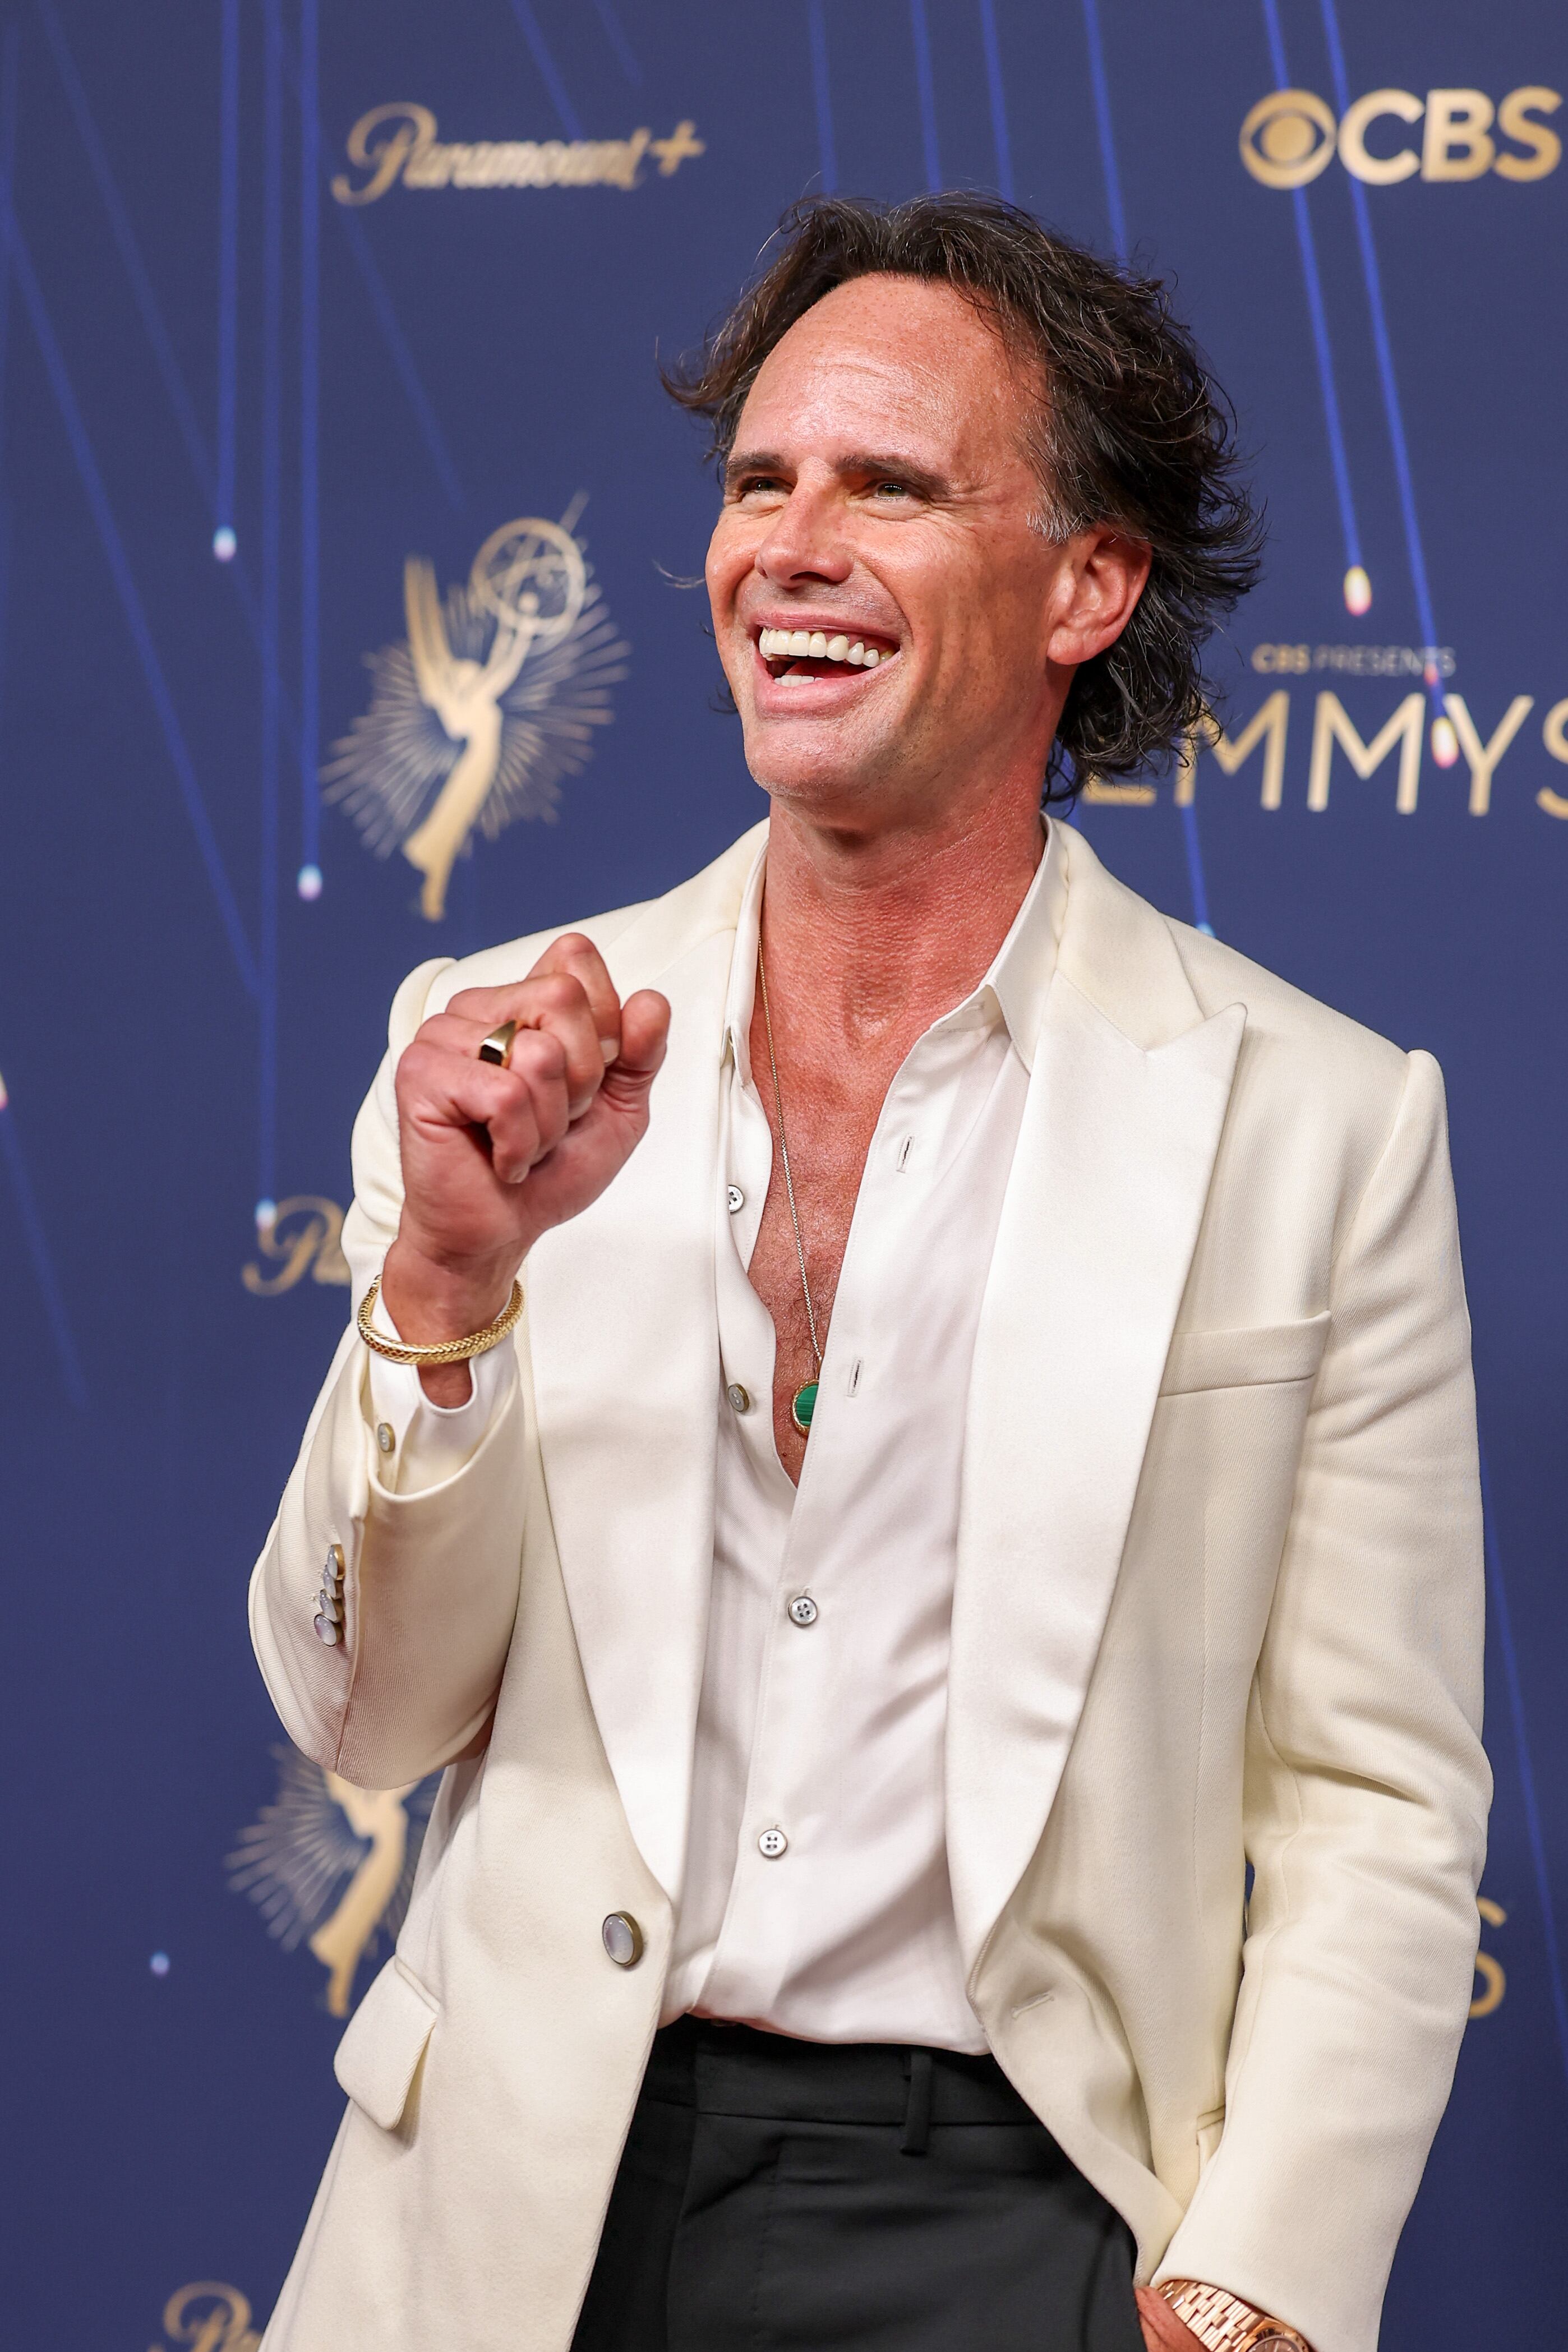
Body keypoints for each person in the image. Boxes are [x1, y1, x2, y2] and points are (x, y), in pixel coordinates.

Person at [251, 195, 1488, 2352]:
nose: (786, 546)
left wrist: (1249, 2297)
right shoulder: (493, 1050)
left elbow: (1378, 1801)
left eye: (888, 486)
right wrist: (448, 1294)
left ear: (1084, 584)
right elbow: (366, 1716)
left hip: (1028, 2223)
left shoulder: (1314, 1120)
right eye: (757, 483)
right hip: (517, 2211)